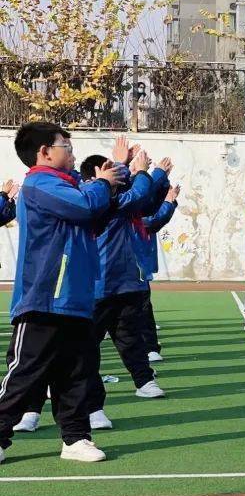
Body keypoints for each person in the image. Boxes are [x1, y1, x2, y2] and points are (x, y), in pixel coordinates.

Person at [0, 122, 125, 464]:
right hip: (44, 298)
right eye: (65, 146)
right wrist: (102, 183)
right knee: (25, 373)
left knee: (77, 374)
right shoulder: (40, 184)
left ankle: (76, 439)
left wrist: (119, 174)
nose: (72, 152)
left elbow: (96, 215)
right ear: (44, 153)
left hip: (76, 298)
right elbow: (86, 206)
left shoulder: (70, 187)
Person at [82, 143, 169, 427]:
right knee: (85, 350)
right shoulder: (93, 200)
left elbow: (146, 201)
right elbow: (137, 194)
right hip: (95, 287)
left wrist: (138, 170)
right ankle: (91, 408)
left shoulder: (114, 197)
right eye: (111, 171)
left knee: (130, 338)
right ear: (95, 176)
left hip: (124, 284)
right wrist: (145, 171)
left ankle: (143, 381)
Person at [134, 180, 181, 362]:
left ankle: (149, 350)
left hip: (134, 268)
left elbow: (154, 220)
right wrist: (168, 202)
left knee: (143, 306)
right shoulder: (122, 205)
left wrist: (169, 200)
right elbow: (152, 221)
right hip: (118, 270)